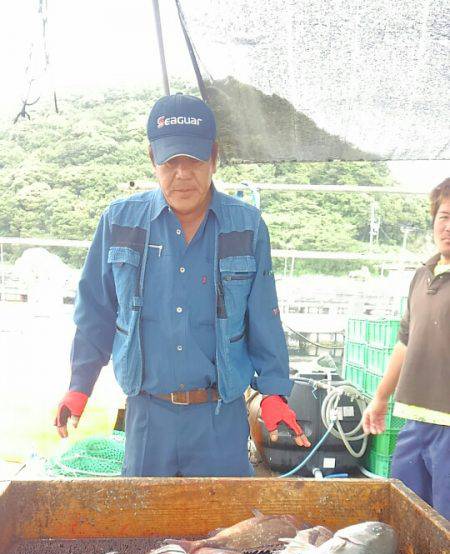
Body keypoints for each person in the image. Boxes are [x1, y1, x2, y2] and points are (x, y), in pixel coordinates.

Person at [55, 93, 310, 477]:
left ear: (214, 156)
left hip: (220, 420)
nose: (182, 174)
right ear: (151, 159)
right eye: (170, 161)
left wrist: (273, 392)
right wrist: (79, 387)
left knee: (224, 533)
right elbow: (95, 313)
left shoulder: (247, 226)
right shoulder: (119, 222)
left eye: (193, 160)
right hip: (146, 418)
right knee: (143, 533)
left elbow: (264, 317)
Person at [362, 178, 450, 520]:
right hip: (413, 419)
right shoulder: (422, 274)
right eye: (444, 216)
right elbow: (405, 341)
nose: (448, 227)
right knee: (406, 518)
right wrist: (381, 398)